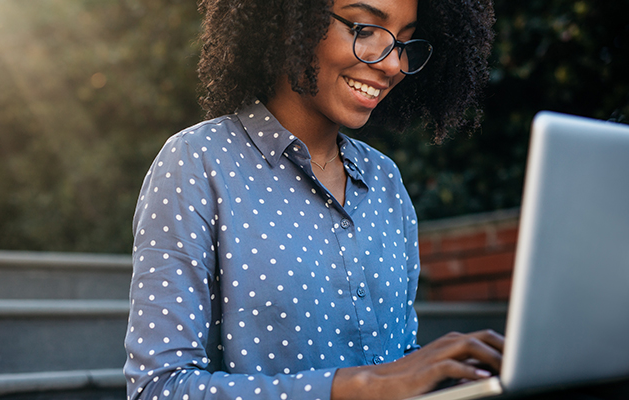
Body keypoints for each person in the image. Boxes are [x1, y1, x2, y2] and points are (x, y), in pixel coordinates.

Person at [124, 0, 503, 399]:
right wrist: (354, 386)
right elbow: (158, 387)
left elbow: (393, 362)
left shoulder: (385, 180)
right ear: (290, 20)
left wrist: (452, 378)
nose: (392, 65)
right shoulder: (198, 162)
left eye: (404, 43)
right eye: (362, 29)